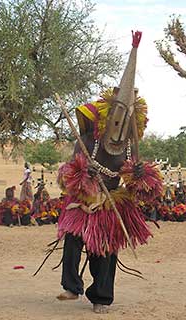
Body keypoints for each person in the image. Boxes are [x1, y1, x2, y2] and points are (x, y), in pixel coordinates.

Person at [55, 31, 163, 314]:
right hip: (85, 200)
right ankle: (71, 286)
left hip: (113, 203)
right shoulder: (88, 141)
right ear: (106, 119)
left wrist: (140, 176)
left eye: (123, 122)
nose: (117, 128)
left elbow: (143, 188)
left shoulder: (131, 149)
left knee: (105, 251)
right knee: (73, 238)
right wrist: (82, 173)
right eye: (114, 120)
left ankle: (101, 296)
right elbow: (66, 174)